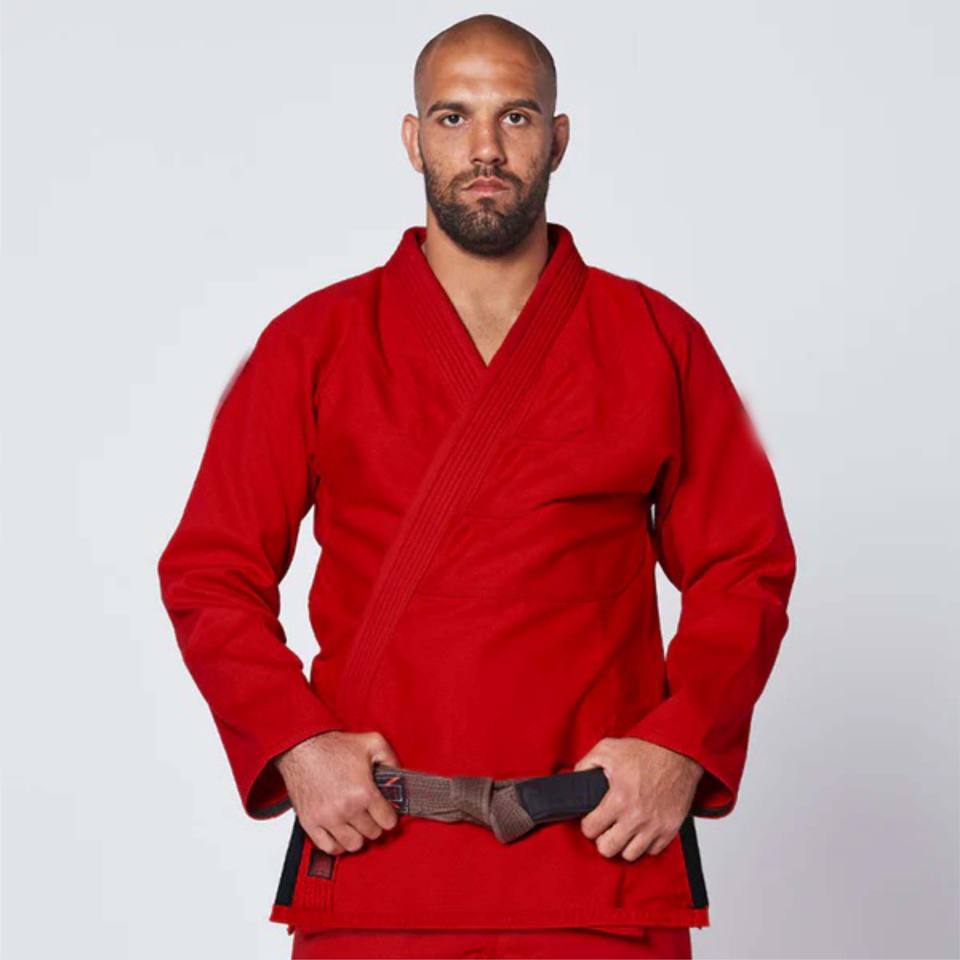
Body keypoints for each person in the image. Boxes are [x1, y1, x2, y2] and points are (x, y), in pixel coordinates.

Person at [157, 13, 797, 960]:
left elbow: (746, 565)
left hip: (601, 857)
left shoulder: (658, 338)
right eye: (453, 117)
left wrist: (681, 745)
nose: (485, 148)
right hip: (378, 856)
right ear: (413, 139)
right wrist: (294, 743)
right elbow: (209, 572)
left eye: (517, 117)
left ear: (559, 138)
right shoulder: (311, 343)